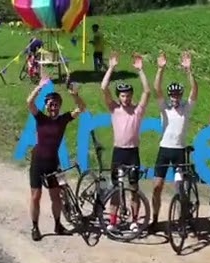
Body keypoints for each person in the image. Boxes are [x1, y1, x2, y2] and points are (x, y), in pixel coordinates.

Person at [25, 75, 87, 241]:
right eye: (51, 104)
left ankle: (58, 224)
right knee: (36, 196)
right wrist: (39, 87)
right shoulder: (41, 118)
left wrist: (74, 94)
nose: (53, 107)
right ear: (46, 106)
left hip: (53, 163)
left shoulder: (62, 120)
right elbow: (29, 102)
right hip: (38, 162)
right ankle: (35, 227)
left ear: (60, 106)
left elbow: (82, 108)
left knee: (56, 196)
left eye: (56, 105)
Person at [99, 52, 150, 233]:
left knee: (134, 188)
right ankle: (112, 221)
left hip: (133, 152)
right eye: (122, 95)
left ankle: (134, 221)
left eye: (128, 95)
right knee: (116, 188)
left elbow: (147, 91)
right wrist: (111, 67)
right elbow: (103, 87)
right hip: (118, 152)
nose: (125, 98)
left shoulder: (138, 110)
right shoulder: (114, 109)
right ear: (119, 97)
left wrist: (140, 71)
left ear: (131, 96)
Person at [149, 50, 197, 231]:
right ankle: (154, 219)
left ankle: (182, 220)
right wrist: (160, 69)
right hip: (164, 150)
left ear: (181, 96)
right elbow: (157, 89)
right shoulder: (165, 108)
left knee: (180, 188)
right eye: (173, 95)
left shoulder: (187, 108)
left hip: (179, 151)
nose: (175, 98)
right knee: (157, 187)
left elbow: (194, 91)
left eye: (178, 95)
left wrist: (189, 71)